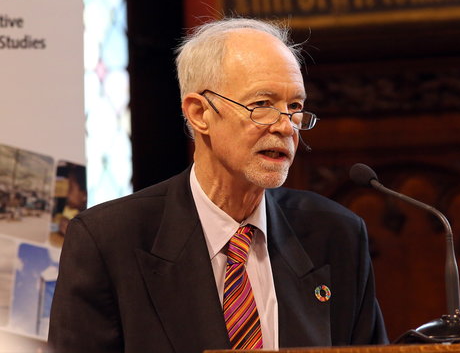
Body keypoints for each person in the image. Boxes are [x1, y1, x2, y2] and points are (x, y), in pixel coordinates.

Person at [49, 17, 388, 353]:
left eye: (294, 107)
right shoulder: (108, 241)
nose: (286, 127)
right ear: (199, 113)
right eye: (262, 105)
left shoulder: (337, 234)